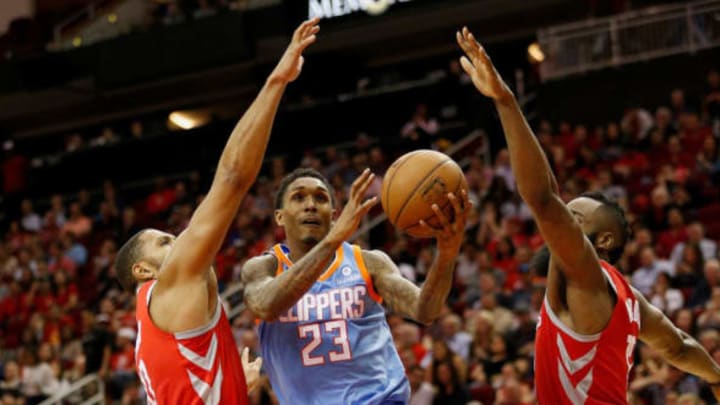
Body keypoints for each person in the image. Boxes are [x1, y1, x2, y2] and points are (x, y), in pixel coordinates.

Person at [456, 26, 720, 404]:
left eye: (574, 219)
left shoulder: (583, 270)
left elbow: (542, 198)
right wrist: (716, 377)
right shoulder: (630, 300)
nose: (562, 221)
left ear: (604, 240)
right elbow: (678, 346)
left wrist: (506, 101)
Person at [113, 18, 320, 404]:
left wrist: (233, 387)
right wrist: (276, 82)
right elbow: (232, 178)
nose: (179, 242)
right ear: (144, 270)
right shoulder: (173, 282)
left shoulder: (151, 328)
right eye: (164, 242)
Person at [241, 167, 471, 404]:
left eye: (320, 198)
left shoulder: (368, 262)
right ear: (279, 216)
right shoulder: (262, 268)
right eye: (299, 197)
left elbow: (426, 310)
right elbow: (266, 305)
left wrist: (446, 255)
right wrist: (332, 240)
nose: (310, 205)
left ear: (333, 215)